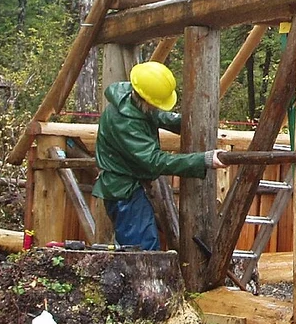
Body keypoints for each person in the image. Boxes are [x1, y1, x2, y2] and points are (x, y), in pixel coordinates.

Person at [92, 61, 225, 250]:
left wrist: (189, 122)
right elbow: (153, 161)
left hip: (131, 188)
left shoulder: (132, 100)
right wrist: (202, 159)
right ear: (145, 99)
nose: (157, 108)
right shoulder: (124, 122)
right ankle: (140, 281)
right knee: (142, 251)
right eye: (155, 104)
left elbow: (158, 116)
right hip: (124, 192)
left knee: (143, 247)